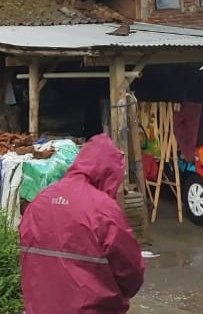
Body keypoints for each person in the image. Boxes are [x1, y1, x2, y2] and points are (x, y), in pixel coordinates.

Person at [19, 133, 145, 314]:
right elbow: (130, 272)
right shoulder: (103, 210)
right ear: (109, 173)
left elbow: (25, 255)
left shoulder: (39, 201)